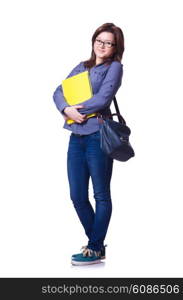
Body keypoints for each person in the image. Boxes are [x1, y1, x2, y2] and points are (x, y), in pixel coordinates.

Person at [53, 23, 124, 266]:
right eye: (99, 40)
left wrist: (75, 111)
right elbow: (58, 91)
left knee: (101, 195)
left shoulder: (114, 68)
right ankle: (97, 245)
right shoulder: (82, 66)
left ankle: (94, 248)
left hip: (98, 135)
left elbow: (103, 98)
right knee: (77, 196)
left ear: (115, 47)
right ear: (93, 41)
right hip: (76, 137)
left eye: (109, 43)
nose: (102, 46)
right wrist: (66, 109)